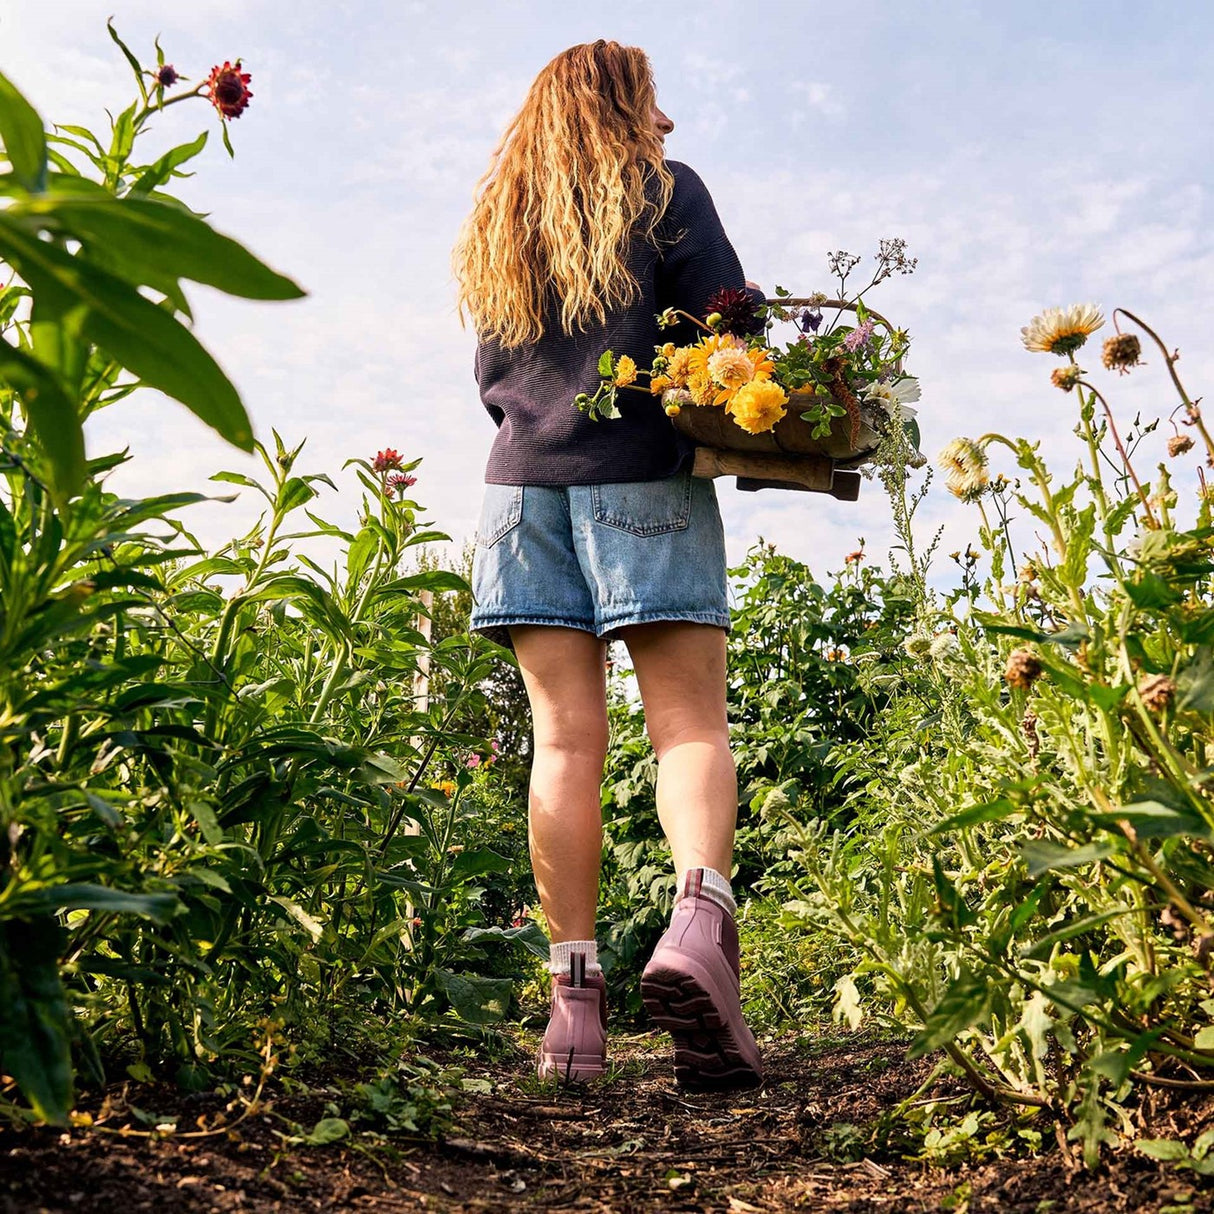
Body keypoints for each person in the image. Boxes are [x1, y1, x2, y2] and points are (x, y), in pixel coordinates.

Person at [452, 39, 763, 1091]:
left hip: (515, 490)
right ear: (629, 102)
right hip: (639, 476)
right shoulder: (664, 193)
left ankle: (572, 1013)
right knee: (685, 724)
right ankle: (696, 929)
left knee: (562, 744)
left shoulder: (503, 222)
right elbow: (731, 326)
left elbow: (490, 375)